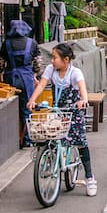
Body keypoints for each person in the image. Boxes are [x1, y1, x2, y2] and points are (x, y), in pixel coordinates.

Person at [26, 43, 97, 196]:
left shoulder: (75, 72)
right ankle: (51, 162)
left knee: (80, 141)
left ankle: (90, 178)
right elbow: (41, 86)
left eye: (54, 57)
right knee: (50, 135)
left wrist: (83, 100)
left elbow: (83, 89)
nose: (52, 61)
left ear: (65, 60)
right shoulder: (51, 70)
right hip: (58, 109)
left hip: (74, 110)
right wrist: (32, 100)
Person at [0, 19, 42, 147]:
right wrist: (36, 75)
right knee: (27, 108)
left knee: (10, 107)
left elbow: (0, 62)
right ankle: (27, 139)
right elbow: (38, 62)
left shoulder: (6, 44)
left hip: (10, 77)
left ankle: (12, 139)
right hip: (26, 77)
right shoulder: (32, 43)